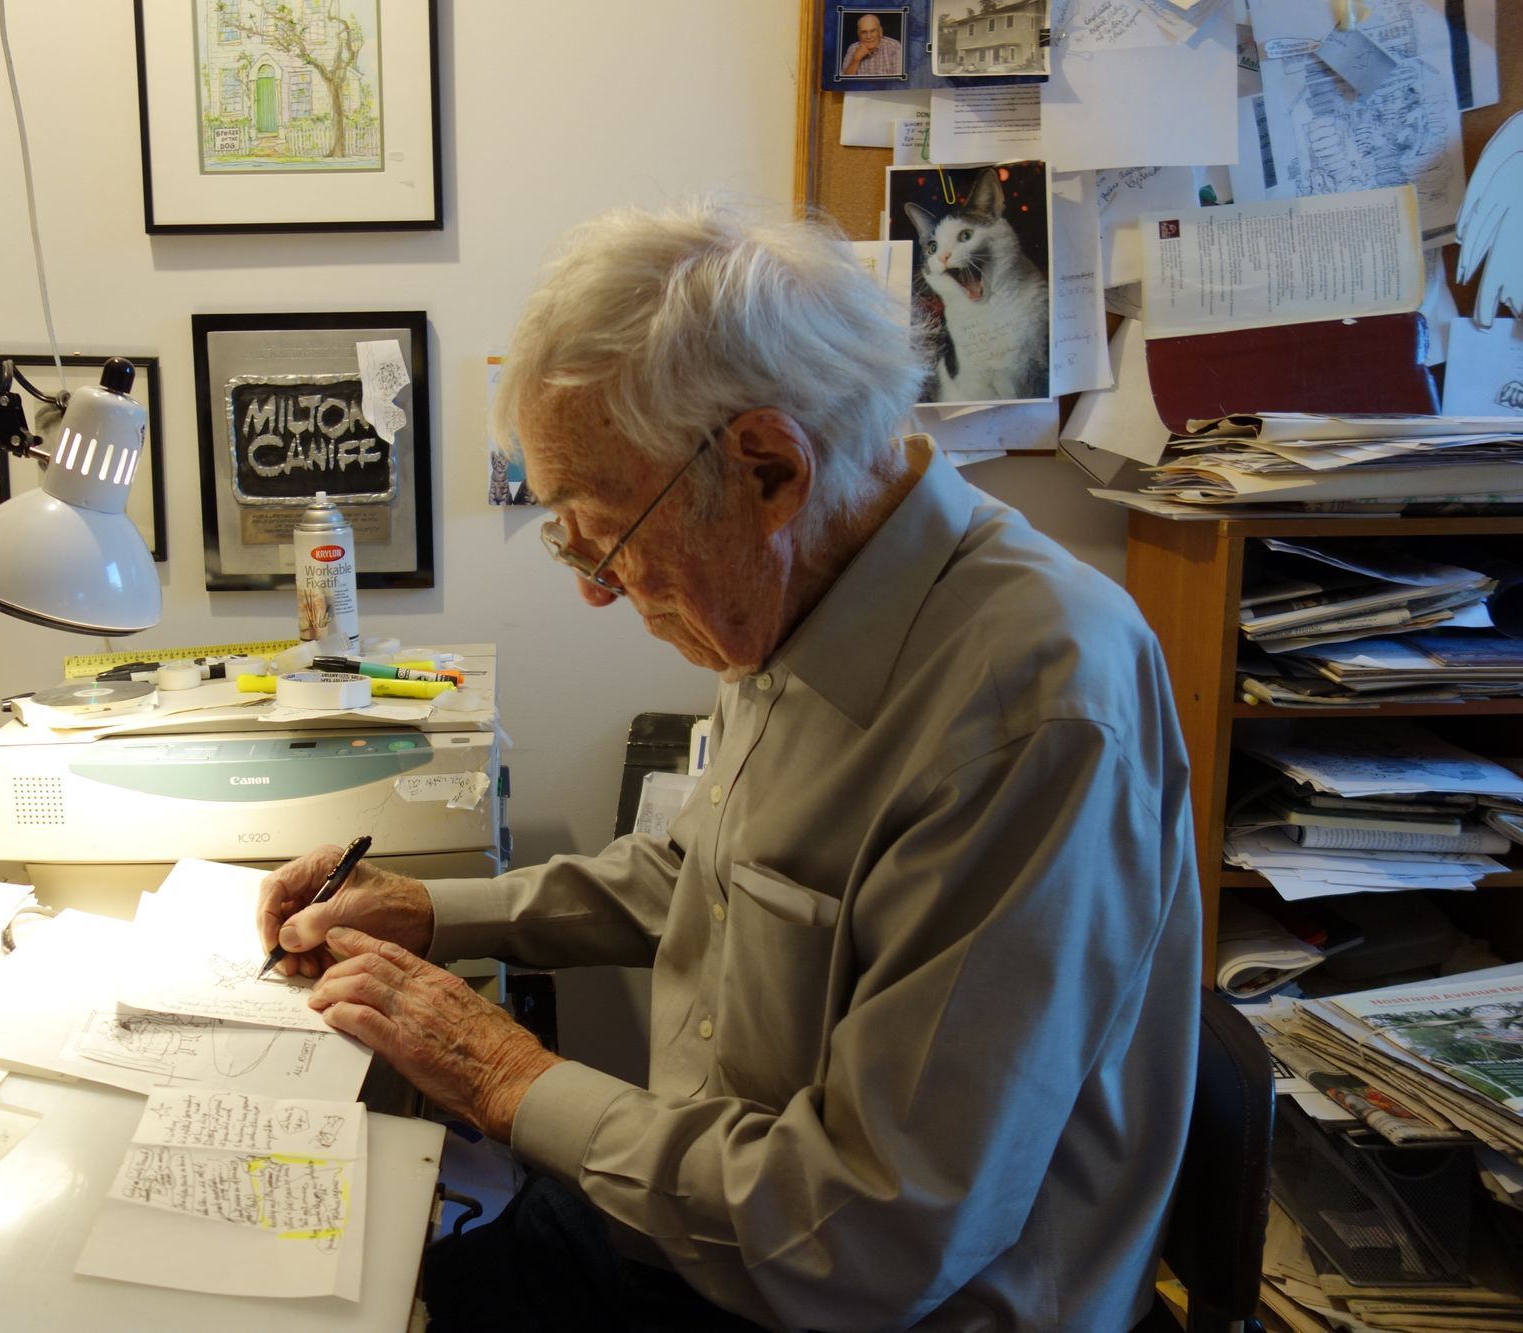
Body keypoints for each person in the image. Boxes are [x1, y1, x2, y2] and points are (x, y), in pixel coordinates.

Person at [258, 200, 1201, 1331]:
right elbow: (699, 871)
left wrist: (506, 1075)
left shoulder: (1030, 701)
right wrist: (431, 911)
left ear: (767, 469)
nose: (595, 586)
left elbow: (871, 1230)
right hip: (703, 1221)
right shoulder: (799, 582)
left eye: (601, 530)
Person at [839, 12, 903, 77]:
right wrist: (855, 60)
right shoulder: (852, 48)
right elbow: (843, 83)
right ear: (859, 34)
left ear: (880, 32)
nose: (869, 36)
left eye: (873, 31)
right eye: (864, 32)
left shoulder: (894, 47)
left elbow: (898, 83)